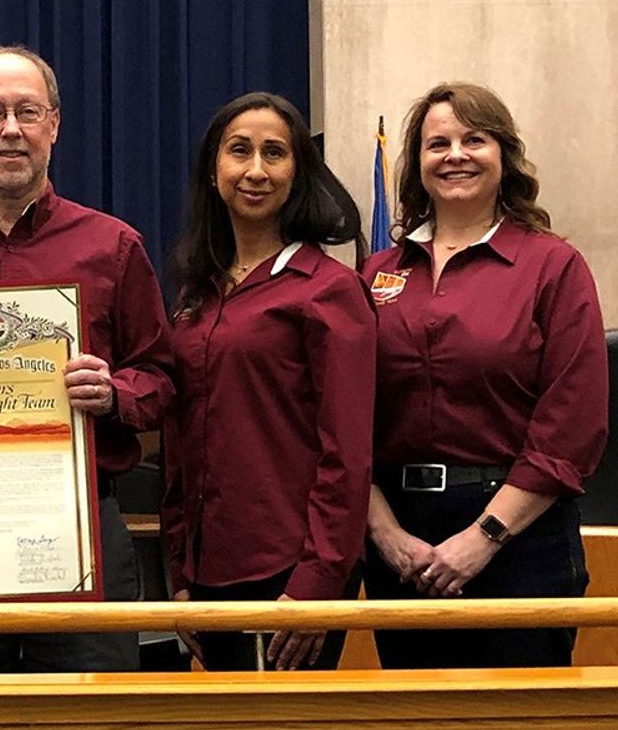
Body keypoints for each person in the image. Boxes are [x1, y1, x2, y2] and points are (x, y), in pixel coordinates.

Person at [0, 45, 176, 673]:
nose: (11, 129)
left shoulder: (112, 246)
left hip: (81, 530)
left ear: (54, 124)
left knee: (89, 720)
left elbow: (162, 380)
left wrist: (113, 394)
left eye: (28, 111)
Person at [362, 82, 607, 668]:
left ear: (504, 156)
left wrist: (484, 537)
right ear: (417, 163)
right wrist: (385, 534)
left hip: (518, 537)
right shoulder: (376, 273)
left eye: (475, 139)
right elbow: (343, 416)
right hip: (401, 542)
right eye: (436, 143)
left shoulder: (552, 266)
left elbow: (572, 425)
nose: (455, 155)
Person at [160, 92, 374, 671]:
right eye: (239, 151)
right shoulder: (196, 293)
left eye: (274, 153)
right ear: (213, 170)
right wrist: (179, 571)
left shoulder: (329, 290)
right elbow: (180, 440)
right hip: (206, 569)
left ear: (298, 173)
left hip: (290, 571)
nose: (256, 170)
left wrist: (318, 581)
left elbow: (348, 454)